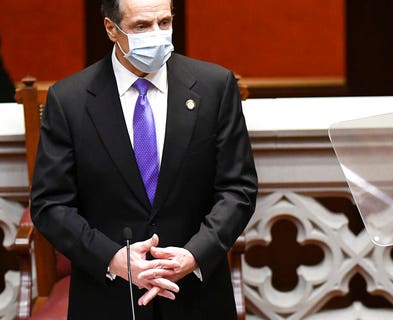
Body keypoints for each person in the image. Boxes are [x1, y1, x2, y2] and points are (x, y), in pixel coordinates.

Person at [30, 0, 258, 318]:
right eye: (141, 26)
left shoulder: (214, 88)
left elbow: (239, 189)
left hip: (196, 295)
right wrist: (112, 258)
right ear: (111, 28)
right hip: (108, 297)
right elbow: (50, 205)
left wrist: (194, 254)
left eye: (164, 22)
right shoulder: (69, 100)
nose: (157, 34)